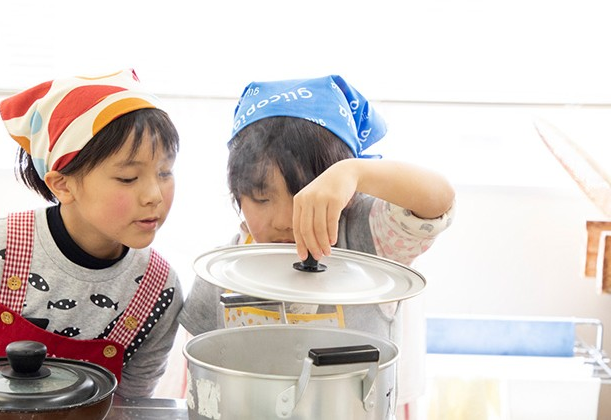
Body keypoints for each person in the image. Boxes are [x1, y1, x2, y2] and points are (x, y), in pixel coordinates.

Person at [0, 69, 183, 399]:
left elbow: (130, 406)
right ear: (63, 184)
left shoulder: (158, 289)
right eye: (128, 178)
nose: (154, 194)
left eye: (165, 172)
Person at [178, 74, 455, 418]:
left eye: (302, 195)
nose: (283, 220)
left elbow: (438, 199)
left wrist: (353, 172)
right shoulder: (225, 269)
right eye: (261, 198)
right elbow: (200, 371)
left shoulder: (367, 236)